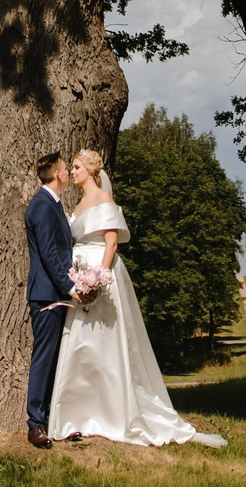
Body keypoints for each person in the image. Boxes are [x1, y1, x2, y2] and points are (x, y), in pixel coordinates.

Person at [45, 147, 226, 447]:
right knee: (80, 343)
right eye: (72, 167)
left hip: (100, 277)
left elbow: (111, 243)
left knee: (106, 344)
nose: (72, 172)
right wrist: (79, 280)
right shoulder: (76, 205)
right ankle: (78, 414)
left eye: (76, 167)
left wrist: (99, 280)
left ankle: (115, 413)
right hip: (79, 277)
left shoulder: (104, 200)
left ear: (91, 170)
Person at [24, 152, 76, 449]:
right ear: (57, 174)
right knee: (44, 358)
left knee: (57, 357)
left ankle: (54, 419)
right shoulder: (42, 206)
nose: (68, 172)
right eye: (65, 168)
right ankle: (35, 424)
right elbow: (49, 254)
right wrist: (70, 287)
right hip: (47, 295)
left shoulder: (53, 205)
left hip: (54, 293)